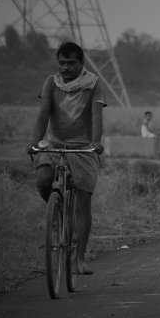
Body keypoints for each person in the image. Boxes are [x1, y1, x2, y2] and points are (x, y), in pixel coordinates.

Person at [29, 41, 106, 276]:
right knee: (43, 179)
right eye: (61, 62)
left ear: (81, 63)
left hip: (83, 147)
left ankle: (79, 259)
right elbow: (43, 115)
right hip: (55, 144)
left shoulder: (93, 83)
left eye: (70, 62)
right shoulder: (51, 83)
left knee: (83, 201)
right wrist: (34, 142)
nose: (65, 67)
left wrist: (95, 143)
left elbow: (96, 115)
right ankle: (58, 212)